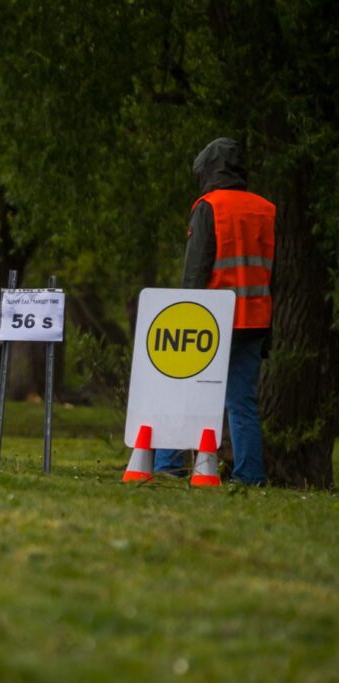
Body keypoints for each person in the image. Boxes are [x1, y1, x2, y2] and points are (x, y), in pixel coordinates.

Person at [154, 138, 275, 485]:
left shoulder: (209, 206)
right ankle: (250, 476)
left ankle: (169, 466)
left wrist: (183, 320)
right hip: (255, 319)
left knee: (185, 389)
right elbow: (273, 274)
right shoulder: (266, 210)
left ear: (207, 169)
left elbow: (196, 271)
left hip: (211, 320)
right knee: (242, 401)